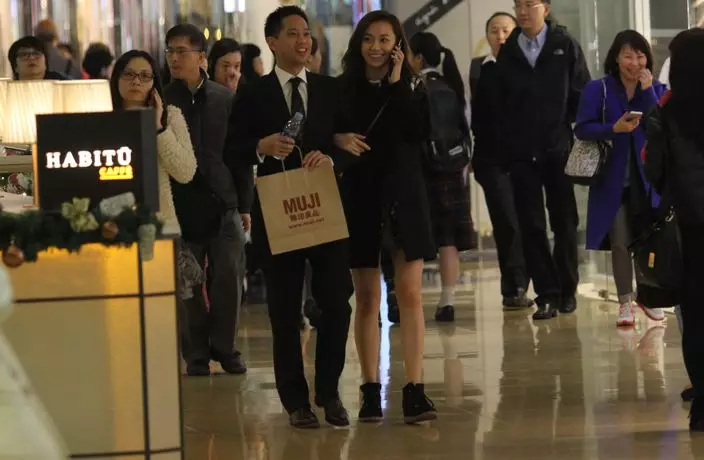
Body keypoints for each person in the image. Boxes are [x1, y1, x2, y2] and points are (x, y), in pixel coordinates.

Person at [226, 6, 354, 429]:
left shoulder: (329, 89)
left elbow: (351, 144)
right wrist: (260, 147)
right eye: (293, 34)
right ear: (273, 41)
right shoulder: (253, 93)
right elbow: (232, 149)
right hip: (277, 209)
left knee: (336, 303)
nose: (303, 41)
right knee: (284, 310)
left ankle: (329, 391)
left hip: (324, 207)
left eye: (306, 34)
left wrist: (332, 159)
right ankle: (295, 401)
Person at [334, 10, 437, 424]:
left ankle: (415, 389)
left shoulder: (413, 87)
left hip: (405, 198)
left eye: (384, 40)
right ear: (358, 43)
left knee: (410, 295)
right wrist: (338, 139)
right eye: (368, 39)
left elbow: (416, 132)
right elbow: (326, 134)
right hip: (361, 197)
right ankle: (369, 389)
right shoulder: (343, 88)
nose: (375, 47)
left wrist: (396, 84)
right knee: (366, 299)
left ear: (398, 46)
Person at [164, 24, 253, 377]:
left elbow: (239, 155)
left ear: (201, 57)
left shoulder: (224, 99)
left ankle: (226, 348)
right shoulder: (162, 100)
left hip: (224, 201)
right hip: (181, 203)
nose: (174, 58)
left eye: (181, 51)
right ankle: (196, 354)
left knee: (229, 277)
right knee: (188, 283)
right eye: (170, 51)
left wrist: (245, 205)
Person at [495, 0, 590, 320]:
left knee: (565, 222)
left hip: (558, 149)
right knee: (531, 224)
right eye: (517, 5)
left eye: (529, 4)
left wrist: (566, 130)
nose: (522, 12)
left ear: (545, 8)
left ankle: (567, 289)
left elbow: (581, 92)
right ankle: (546, 293)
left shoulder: (564, 44)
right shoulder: (509, 51)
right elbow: (501, 104)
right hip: (522, 153)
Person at [574, 30, 666, 327]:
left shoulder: (655, 88)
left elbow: (660, 126)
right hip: (611, 180)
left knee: (647, 239)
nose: (634, 63)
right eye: (628, 56)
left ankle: (648, 295)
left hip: (646, 181)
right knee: (620, 241)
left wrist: (648, 91)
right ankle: (625, 301)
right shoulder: (597, 89)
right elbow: (582, 129)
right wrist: (612, 129)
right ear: (616, 58)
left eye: (640, 56)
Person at [643, 27, 704, 431]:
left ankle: (702, 407)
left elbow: (656, 172)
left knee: (696, 317)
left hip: (690, 229)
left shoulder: (664, 113)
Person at [408, 32, 475, 323]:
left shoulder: (416, 89)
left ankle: (408, 297)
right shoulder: (452, 85)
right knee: (449, 237)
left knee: (416, 233)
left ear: (418, 58)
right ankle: (447, 299)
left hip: (423, 169)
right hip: (452, 168)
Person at [471, 12, 533, 309]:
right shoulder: (480, 69)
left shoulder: (528, 67)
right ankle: (514, 286)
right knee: (506, 221)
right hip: (492, 160)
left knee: (526, 221)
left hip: (525, 159)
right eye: (494, 31)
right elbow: (475, 116)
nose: (501, 36)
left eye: (506, 30)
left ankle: (529, 281)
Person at [109, 50, 197, 231]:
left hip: (160, 223)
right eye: (129, 74)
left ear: (154, 83)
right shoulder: (103, 117)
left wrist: (158, 128)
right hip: (111, 225)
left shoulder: (170, 116)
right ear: (116, 78)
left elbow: (185, 172)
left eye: (145, 76)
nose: (136, 81)